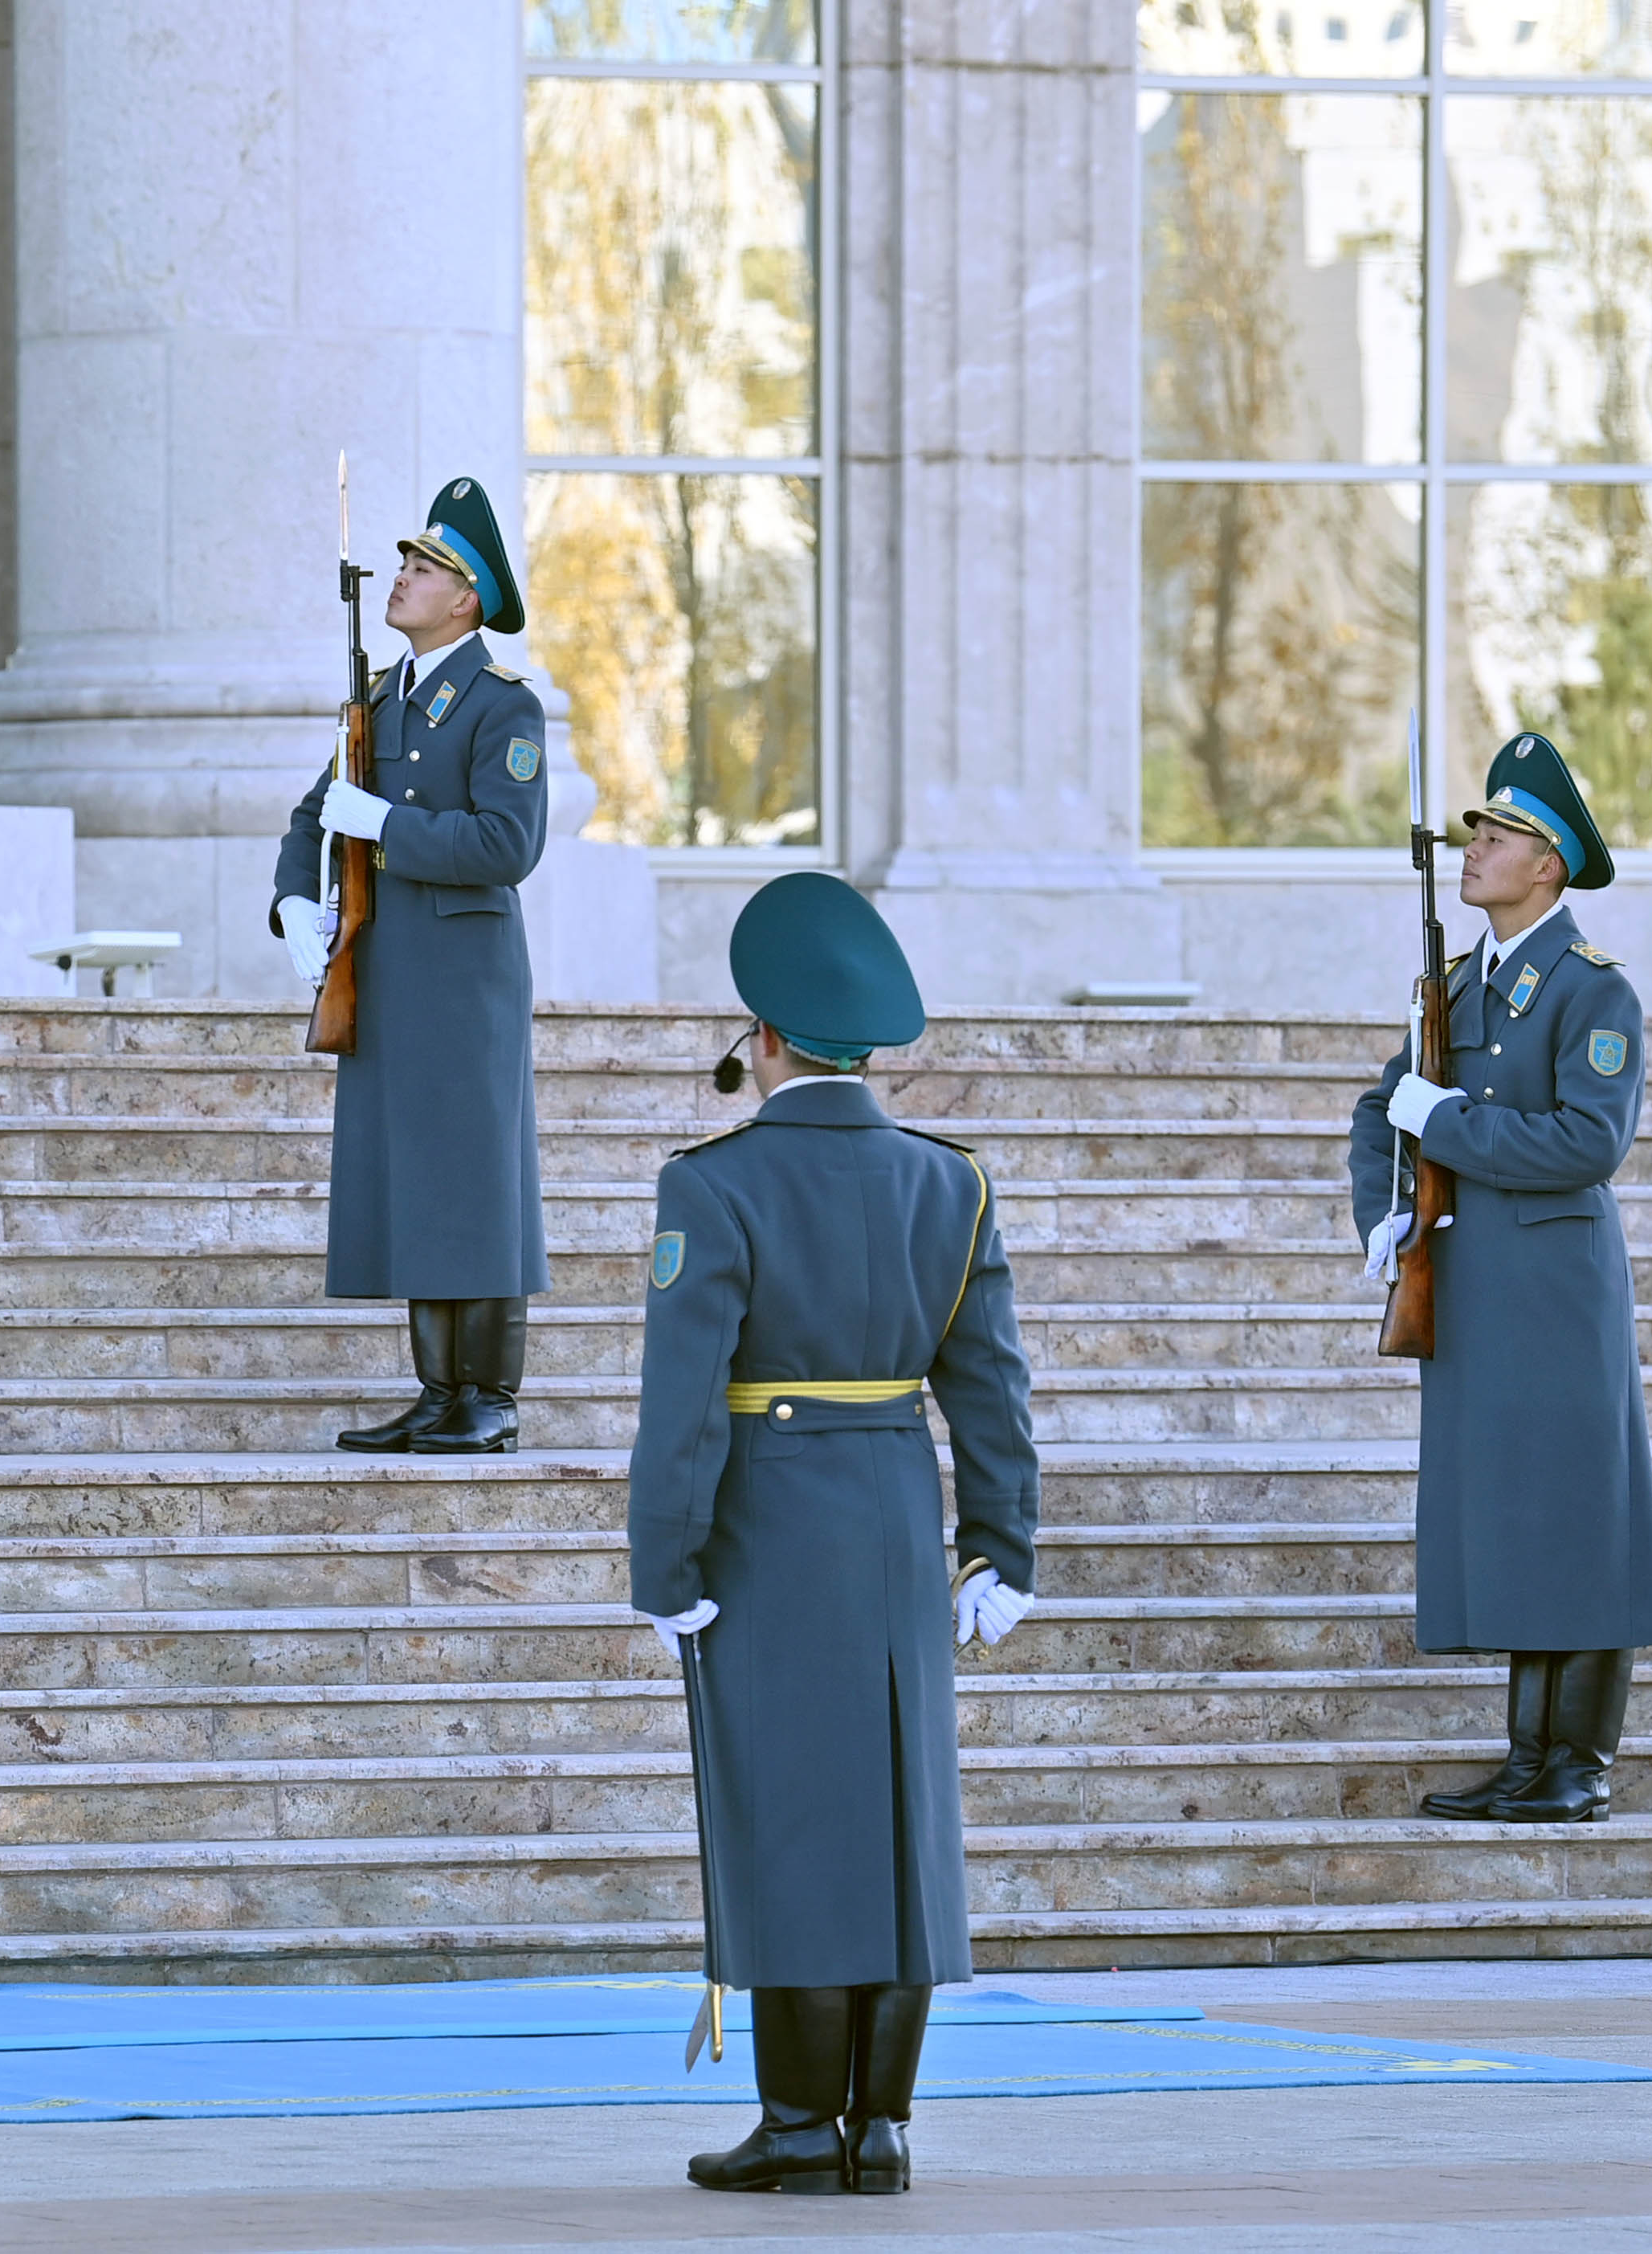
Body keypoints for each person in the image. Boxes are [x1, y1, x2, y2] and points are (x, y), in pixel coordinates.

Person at [627, 872, 1039, 2198]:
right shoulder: (948, 1181)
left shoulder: (713, 1184)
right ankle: (884, 2125)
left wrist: (664, 1561)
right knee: (900, 1815)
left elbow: (683, 1399)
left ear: (761, 1040)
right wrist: (1000, 1544)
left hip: (768, 1528)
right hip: (898, 1520)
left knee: (791, 1816)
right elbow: (989, 1382)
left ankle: (803, 2123)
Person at [1348, 730, 1652, 1823]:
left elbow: (1587, 1141)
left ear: (1549, 865)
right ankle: (1530, 1759)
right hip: (1476, 1293)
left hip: (1556, 1293)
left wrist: (1447, 1125)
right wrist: (1389, 1206)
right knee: (1523, 1519)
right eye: (1476, 829)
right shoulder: (1459, 986)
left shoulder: (1589, 991)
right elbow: (1381, 1107)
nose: (1474, 846)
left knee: (1577, 1515)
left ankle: (1578, 1765)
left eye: (1499, 834)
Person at [271, 477, 549, 1452]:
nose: (401, 576)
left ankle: (491, 1398)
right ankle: (439, 1393)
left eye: (424, 567)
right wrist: (295, 898)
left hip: (465, 977)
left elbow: (507, 844)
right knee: (419, 1182)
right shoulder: (383, 697)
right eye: (404, 561)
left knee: (476, 1180)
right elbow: (314, 815)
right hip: (387, 971)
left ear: (466, 597)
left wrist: (388, 825)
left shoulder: (502, 706)